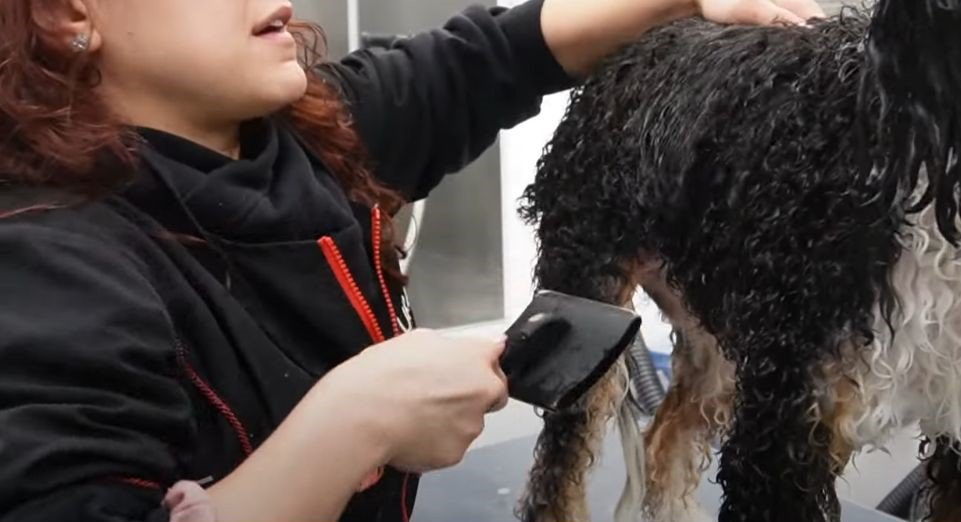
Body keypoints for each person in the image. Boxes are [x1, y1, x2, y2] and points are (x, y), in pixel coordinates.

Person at [0, 0, 823, 520]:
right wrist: (355, 423)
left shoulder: (308, 135)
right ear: (70, 12)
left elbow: (491, 58)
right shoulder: (46, 269)